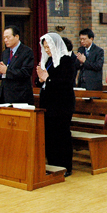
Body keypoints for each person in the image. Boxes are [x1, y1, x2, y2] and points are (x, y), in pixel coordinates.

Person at [36, 33, 76, 177]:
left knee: (62, 135)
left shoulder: (66, 60)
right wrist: (40, 79)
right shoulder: (49, 60)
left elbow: (65, 83)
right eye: (44, 47)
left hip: (62, 104)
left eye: (48, 46)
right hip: (49, 104)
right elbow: (41, 80)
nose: (46, 50)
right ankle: (52, 165)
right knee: (50, 135)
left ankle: (65, 166)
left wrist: (47, 78)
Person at [0, 25, 35, 105]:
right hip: (5, 95)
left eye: (8, 37)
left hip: (19, 95)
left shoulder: (26, 52)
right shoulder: (5, 53)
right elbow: (2, 74)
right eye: (4, 38)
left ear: (16, 37)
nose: (5, 40)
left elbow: (26, 72)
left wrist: (6, 71)